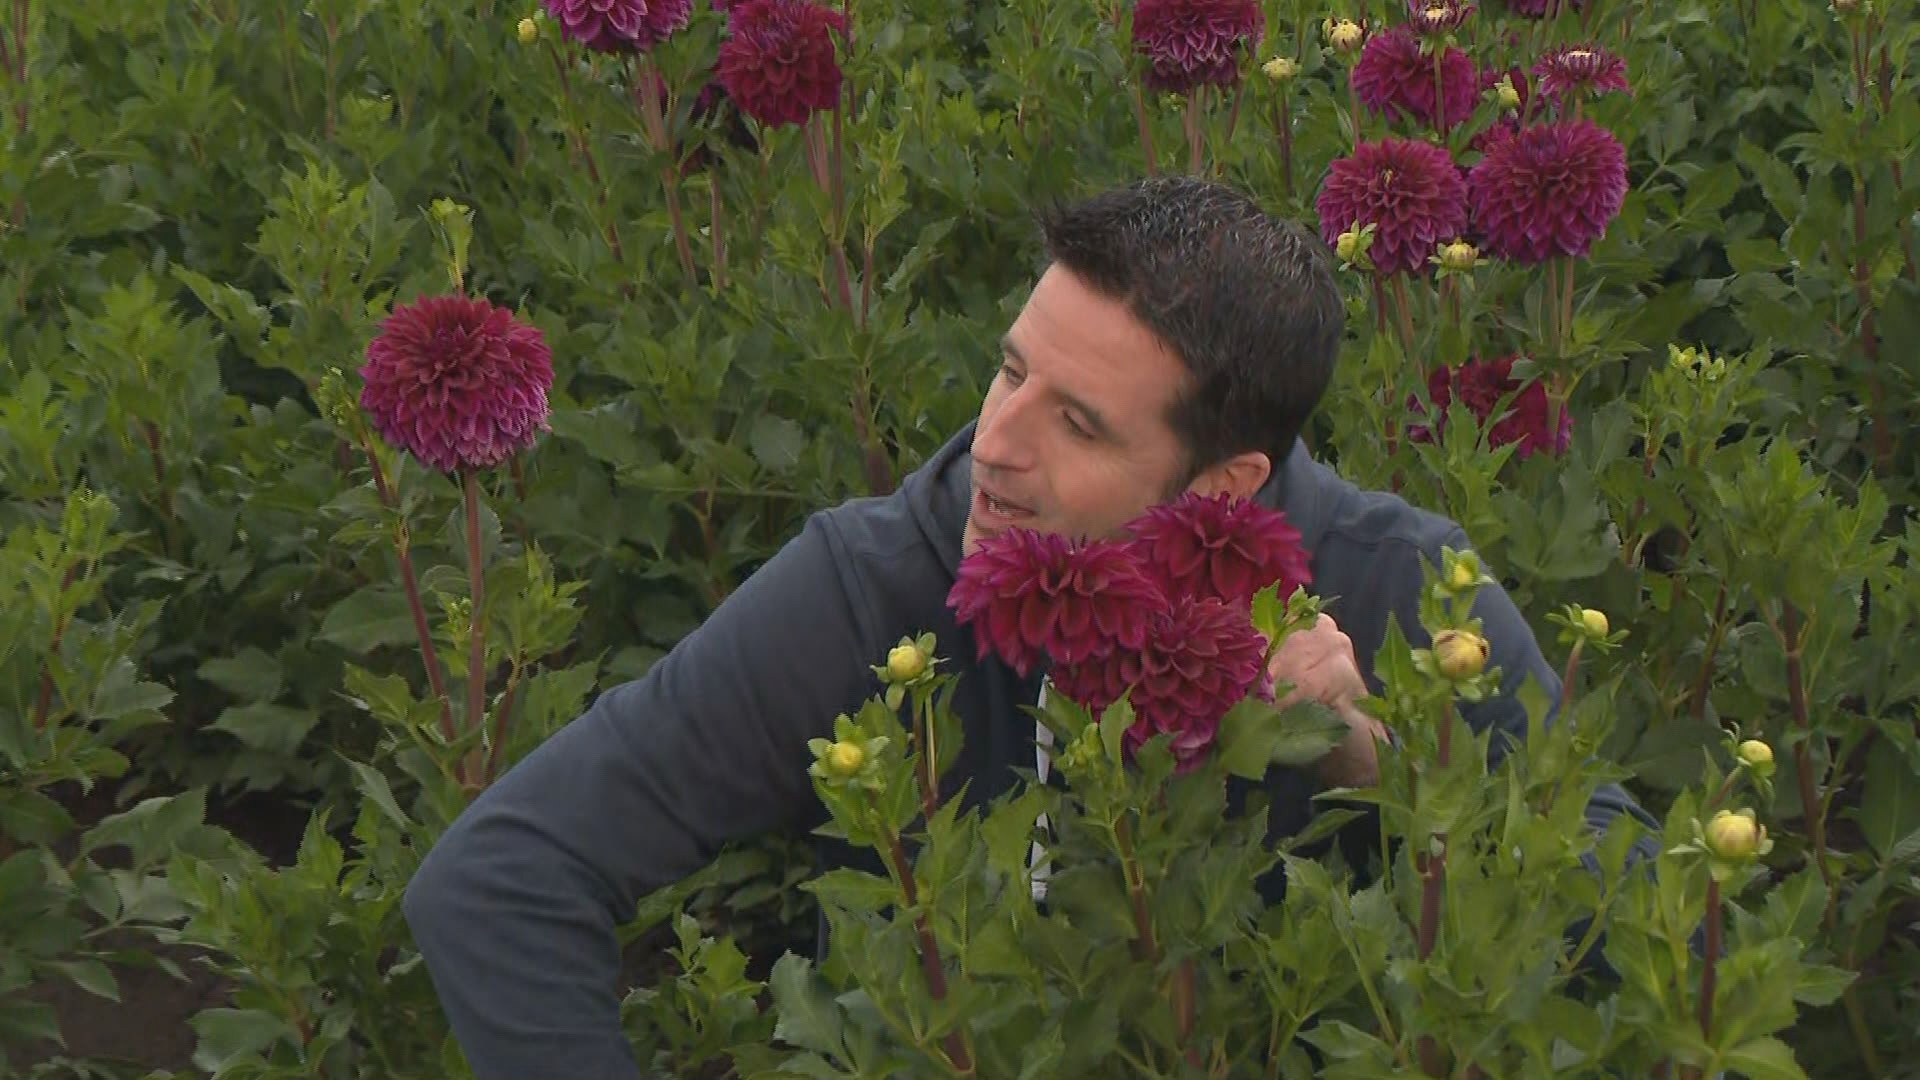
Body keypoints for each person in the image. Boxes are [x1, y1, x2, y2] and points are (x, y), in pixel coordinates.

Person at [401, 175, 1657, 1079]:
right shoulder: (884, 577)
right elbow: (499, 880)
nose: (992, 444)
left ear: (1226, 488)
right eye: (1011, 371)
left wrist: (1376, 757)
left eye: (1080, 423)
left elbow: (1665, 929)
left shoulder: (1397, 588)